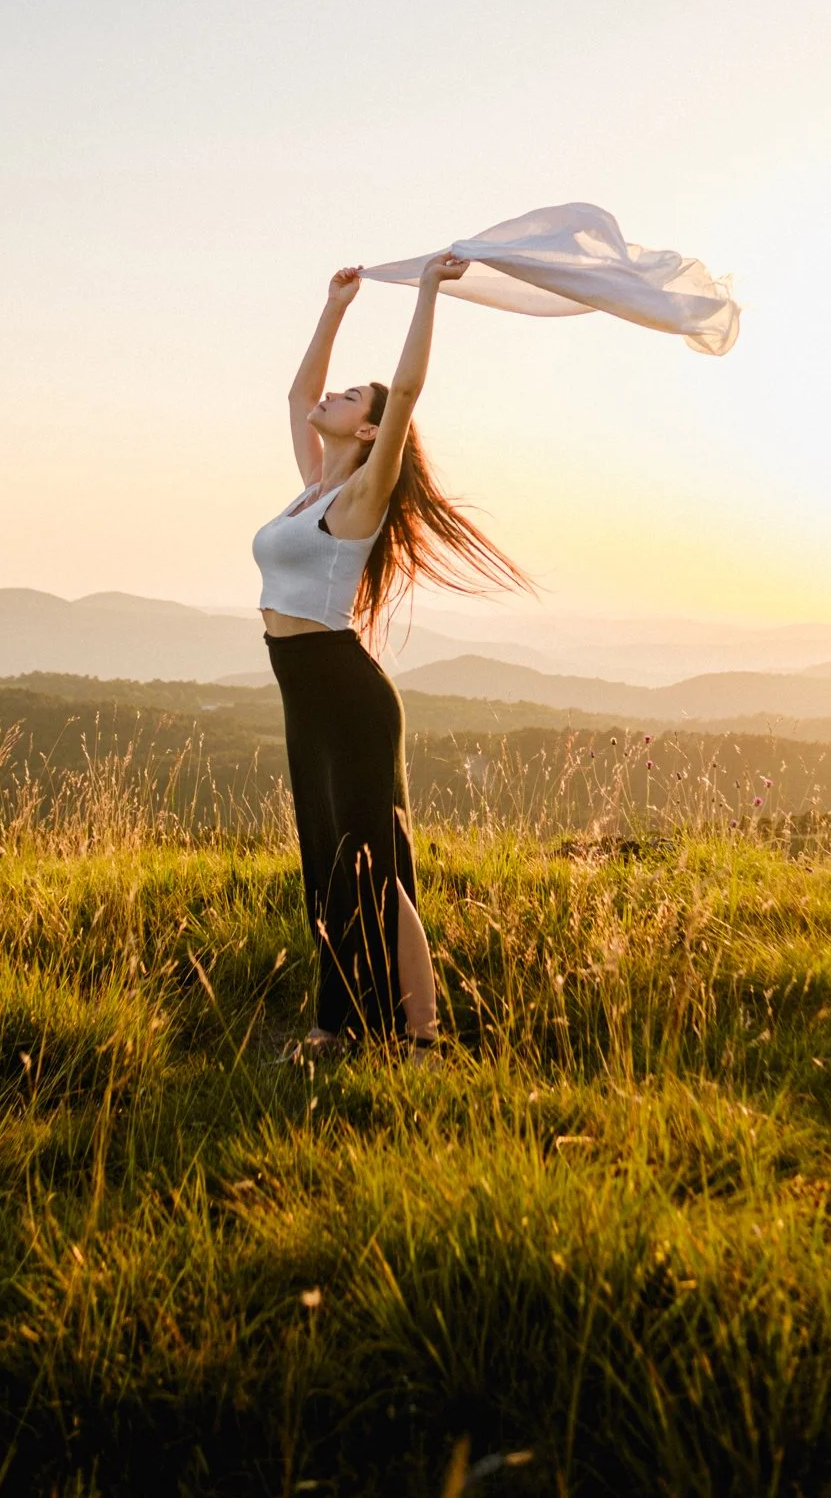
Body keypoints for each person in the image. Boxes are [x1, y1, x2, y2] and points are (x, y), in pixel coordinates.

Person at [252, 255, 533, 1063]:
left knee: (371, 866)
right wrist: (334, 307)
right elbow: (298, 398)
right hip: (307, 698)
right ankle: (354, 1027)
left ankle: (408, 1036)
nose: (331, 399)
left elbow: (404, 392)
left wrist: (428, 291)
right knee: (331, 865)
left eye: (350, 398)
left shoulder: (361, 496)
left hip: (347, 697)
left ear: (370, 432)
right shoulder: (313, 486)